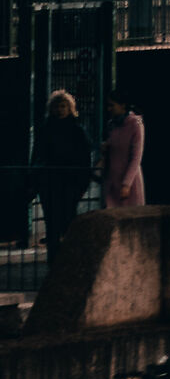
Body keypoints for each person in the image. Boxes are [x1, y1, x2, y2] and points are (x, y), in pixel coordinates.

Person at [36, 89, 92, 259]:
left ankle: (68, 259)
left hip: (69, 182)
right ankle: (53, 260)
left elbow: (84, 159)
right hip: (51, 183)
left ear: (70, 108)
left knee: (68, 221)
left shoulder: (77, 131)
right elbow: (38, 154)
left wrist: (82, 183)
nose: (60, 110)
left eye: (63, 106)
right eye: (57, 106)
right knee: (52, 223)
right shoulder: (46, 129)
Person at [101, 89, 145, 207]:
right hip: (112, 181)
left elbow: (136, 157)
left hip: (129, 182)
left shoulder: (136, 124)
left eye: (112, 105)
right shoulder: (111, 124)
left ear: (122, 105)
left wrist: (127, 184)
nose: (109, 109)